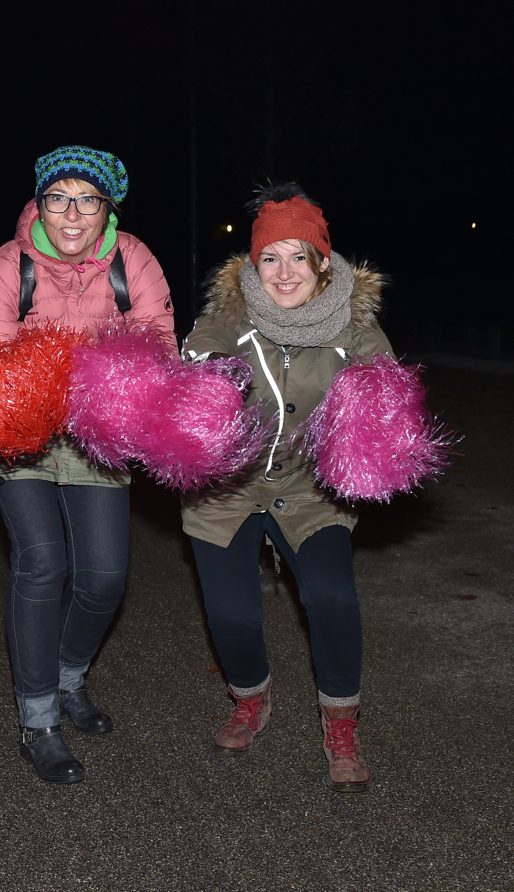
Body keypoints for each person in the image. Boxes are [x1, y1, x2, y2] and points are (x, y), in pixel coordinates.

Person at [0, 145, 175, 784]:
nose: (72, 214)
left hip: (100, 434)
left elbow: (157, 343)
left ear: (105, 208)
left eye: (88, 200)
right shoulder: (9, 266)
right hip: (25, 437)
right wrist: (53, 390)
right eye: (59, 197)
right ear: (40, 203)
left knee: (104, 579)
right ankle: (38, 721)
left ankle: (66, 678)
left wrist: (118, 398)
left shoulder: (132, 258)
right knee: (42, 563)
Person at [181, 183, 388, 792]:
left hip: (309, 489)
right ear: (252, 266)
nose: (284, 271)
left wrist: (378, 410)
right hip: (229, 488)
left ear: (323, 262)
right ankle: (252, 697)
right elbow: (199, 360)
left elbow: (386, 388)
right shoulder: (226, 319)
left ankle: (342, 724)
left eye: (299, 256)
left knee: (332, 599)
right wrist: (208, 387)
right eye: (270, 258)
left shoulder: (354, 327)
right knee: (232, 615)